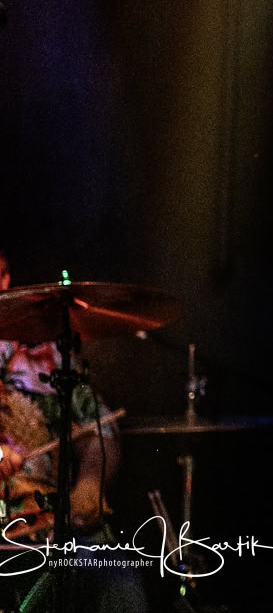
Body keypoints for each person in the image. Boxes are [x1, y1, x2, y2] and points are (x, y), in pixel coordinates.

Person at [0, 249, 147, 612]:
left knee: (121, 588)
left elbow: (99, 430)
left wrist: (90, 485)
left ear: (6, 279)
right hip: (6, 524)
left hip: (52, 519)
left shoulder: (46, 357)